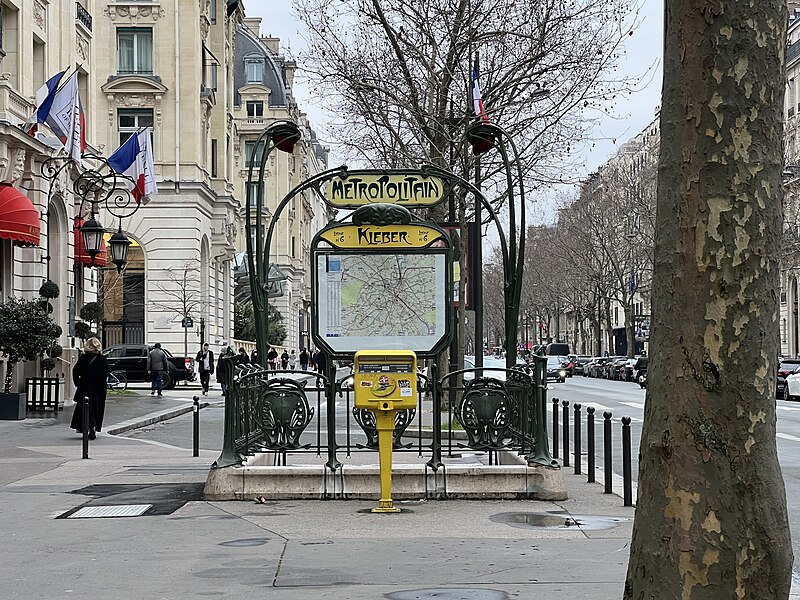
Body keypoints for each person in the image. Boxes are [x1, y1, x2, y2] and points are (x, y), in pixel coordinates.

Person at [70, 337, 109, 440]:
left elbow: (75, 371)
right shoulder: (102, 359)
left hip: (85, 387)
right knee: (97, 408)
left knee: (85, 408)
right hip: (99, 388)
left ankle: (87, 427)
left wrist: (78, 383)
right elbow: (107, 372)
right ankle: (94, 427)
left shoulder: (84, 358)